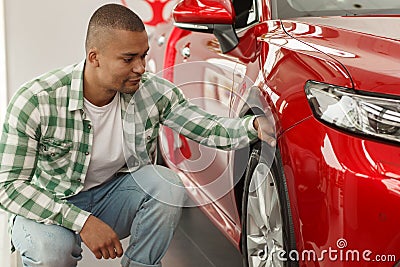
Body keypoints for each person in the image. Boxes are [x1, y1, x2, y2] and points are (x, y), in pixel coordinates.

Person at [0, 3, 275, 267]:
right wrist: (82, 222)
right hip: (51, 203)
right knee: (51, 254)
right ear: (94, 57)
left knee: (166, 183)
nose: (141, 68)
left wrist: (252, 127)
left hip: (110, 196)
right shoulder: (36, 101)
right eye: (128, 59)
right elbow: (7, 186)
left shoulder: (152, 92)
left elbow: (204, 125)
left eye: (143, 55)